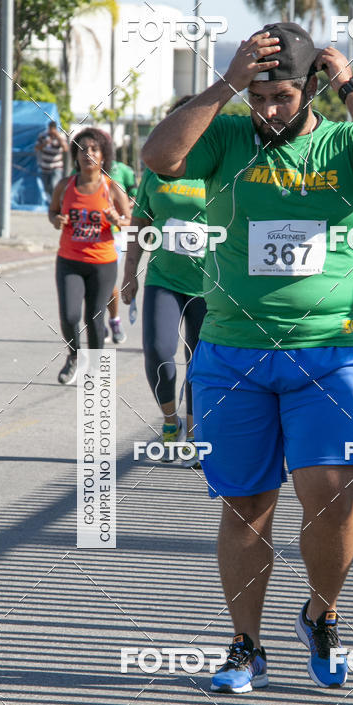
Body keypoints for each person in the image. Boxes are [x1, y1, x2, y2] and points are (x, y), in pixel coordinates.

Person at [141, 21, 353, 692]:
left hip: (326, 356)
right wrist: (227, 83)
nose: (267, 111)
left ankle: (322, 614)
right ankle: (245, 644)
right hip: (233, 354)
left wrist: (348, 81)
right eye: (258, 97)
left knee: (333, 495)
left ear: (310, 89)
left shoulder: (344, 142)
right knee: (246, 506)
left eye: (282, 96)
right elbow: (159, 157)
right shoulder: (229, 136)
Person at [121, 97, 207, 465]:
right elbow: (139, 222)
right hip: (164, 277)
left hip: (211, 284)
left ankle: (197, 430)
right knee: (158, 351)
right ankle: (171, 421)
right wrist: (129, 273)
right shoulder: (158, 171)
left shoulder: (221, 167)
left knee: (201, 362)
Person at [49, 128, 131, 384]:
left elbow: (128, 220)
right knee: (70, 315)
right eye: (83, 149)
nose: (88, 154)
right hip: (69, 260)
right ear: (76, 156)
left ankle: (95, 367)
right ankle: (74, 357)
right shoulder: (66, 185)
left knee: (94, 317)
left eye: (94, 149)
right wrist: (57, 219)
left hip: (102, 263)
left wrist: (117, 219)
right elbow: (52, 212)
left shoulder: (111, 188)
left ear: (103, 156)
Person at [105, 158, 138, 345]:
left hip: (113, 237)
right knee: (87, 287)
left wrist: (121, 211)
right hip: (83, 242)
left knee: (106, 282)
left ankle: (114, 321)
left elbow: (135, 197)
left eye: (96, 149)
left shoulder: (122, 171)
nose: (89, 155)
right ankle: (95, 323)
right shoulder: (77, 177)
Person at [35, 121, 68, 200]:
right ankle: (51, 202)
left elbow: (66, 148)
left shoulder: (61, 136)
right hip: (45, 166)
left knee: (54, 185)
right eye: (50, 129)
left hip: (56, 166)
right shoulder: (43, 136)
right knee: (46, 188)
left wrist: (58, 138)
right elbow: (36, 148)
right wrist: (44, 144)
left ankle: (56, 202)